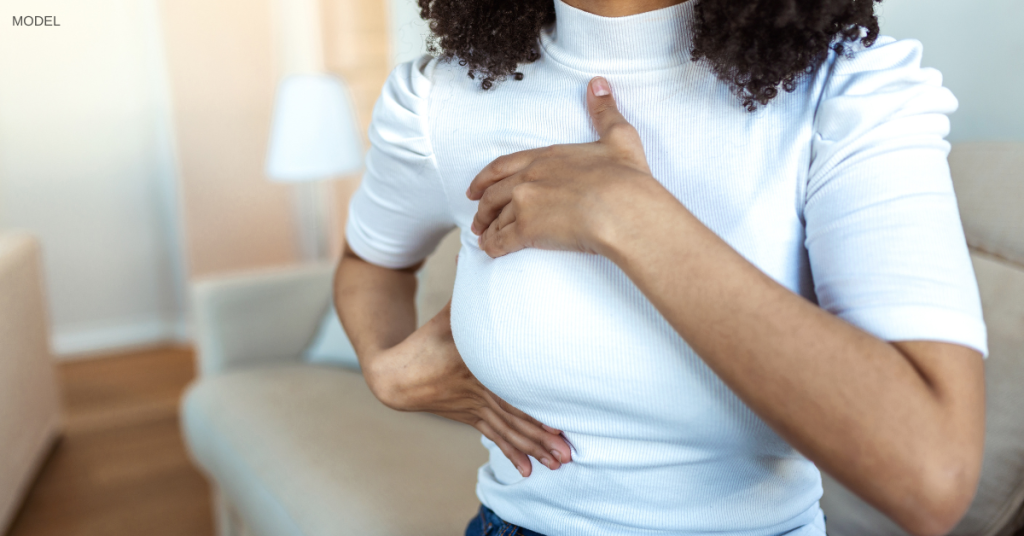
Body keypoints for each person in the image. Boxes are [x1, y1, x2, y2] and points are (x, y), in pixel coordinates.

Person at [333, 0, 988, 534]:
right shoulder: (440, 99)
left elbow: (931, 475)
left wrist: (629, 215)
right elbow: (371, 263)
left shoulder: (851, 92)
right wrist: (385, 368)